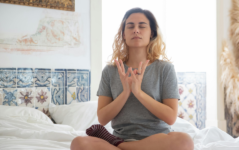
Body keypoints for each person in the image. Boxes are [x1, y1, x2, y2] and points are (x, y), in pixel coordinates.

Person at [71, 7, 194, 150]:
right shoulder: (110, 71)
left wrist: (139, 93)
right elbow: (102, 119)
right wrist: (125, 93)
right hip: (121, 136)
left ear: (151, 33)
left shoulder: (165, 69)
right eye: (130, 26)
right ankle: (125, 144)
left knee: (185, 141)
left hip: (156, 141)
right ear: (123, 34)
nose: (136, 30)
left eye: (142, 26)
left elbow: (171, 117)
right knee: (78, 143)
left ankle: (123, 147)